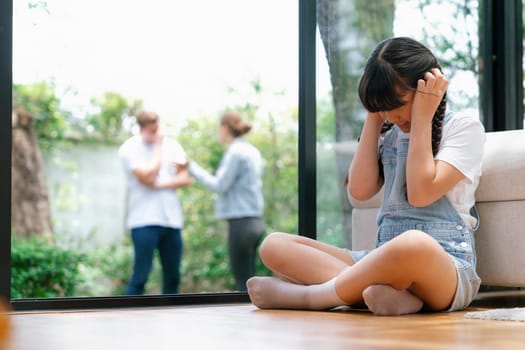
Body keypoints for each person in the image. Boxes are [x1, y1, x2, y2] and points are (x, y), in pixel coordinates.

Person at [246, 36, 486, 315]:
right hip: (380, 261)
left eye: (398, 103)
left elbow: (420, 194)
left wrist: (421, 118)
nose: (392, 115)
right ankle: (396, 298)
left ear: (427, 89)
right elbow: (358, 191)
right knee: (274, 245)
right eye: (384, 107)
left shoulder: (463, 127)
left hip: (446, 266)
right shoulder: (389, 129)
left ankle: (314, 297)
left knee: (412, 244)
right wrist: (374, 115)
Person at [186, 111, 265, 291]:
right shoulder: (252, 151)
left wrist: (191, 167)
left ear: (225, 128)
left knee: (243, 282)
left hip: (241, 222)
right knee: (249, 278)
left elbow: (219, 185)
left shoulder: (235, 152)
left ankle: (249, 320)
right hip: (255, 220)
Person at [118, 110, 193, 295]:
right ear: (141, 128)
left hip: (171, 220)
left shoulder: (174, 146)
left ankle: (171, 321)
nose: (156, 134)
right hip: (143, 221)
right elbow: (148, 176)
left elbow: (185, 179)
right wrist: (158, 148)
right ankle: (130, 319)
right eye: (152, 131)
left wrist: (157, 184)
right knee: (140, 277)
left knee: (173, 277)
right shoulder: (129, 149)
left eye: (157, 129)